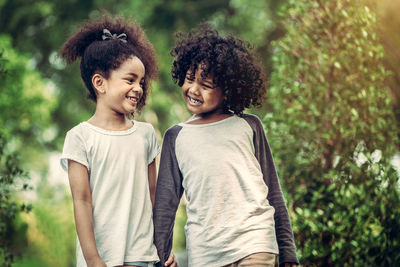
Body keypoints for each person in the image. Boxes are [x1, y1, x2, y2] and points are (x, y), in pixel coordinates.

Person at [153, 23, 299, 267]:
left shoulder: (249, 126)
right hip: (206, 252)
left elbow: (273, 192)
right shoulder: (176, 137)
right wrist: (161, 255)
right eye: (190, 79)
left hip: (255, 242)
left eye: (207, 85)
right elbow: (165, 204)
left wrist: (288, 253)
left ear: (229, 91)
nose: (194, 90)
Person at [59, 14, 176, 267]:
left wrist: (164, 249)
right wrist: (93, 259)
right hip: (102, 259)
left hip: (143, 256)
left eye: (141, 82)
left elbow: (154, 196)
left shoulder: (145, 134)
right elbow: (81, 201)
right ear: (100, 83)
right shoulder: (79, 137)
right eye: (130, 80)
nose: (139, 88)